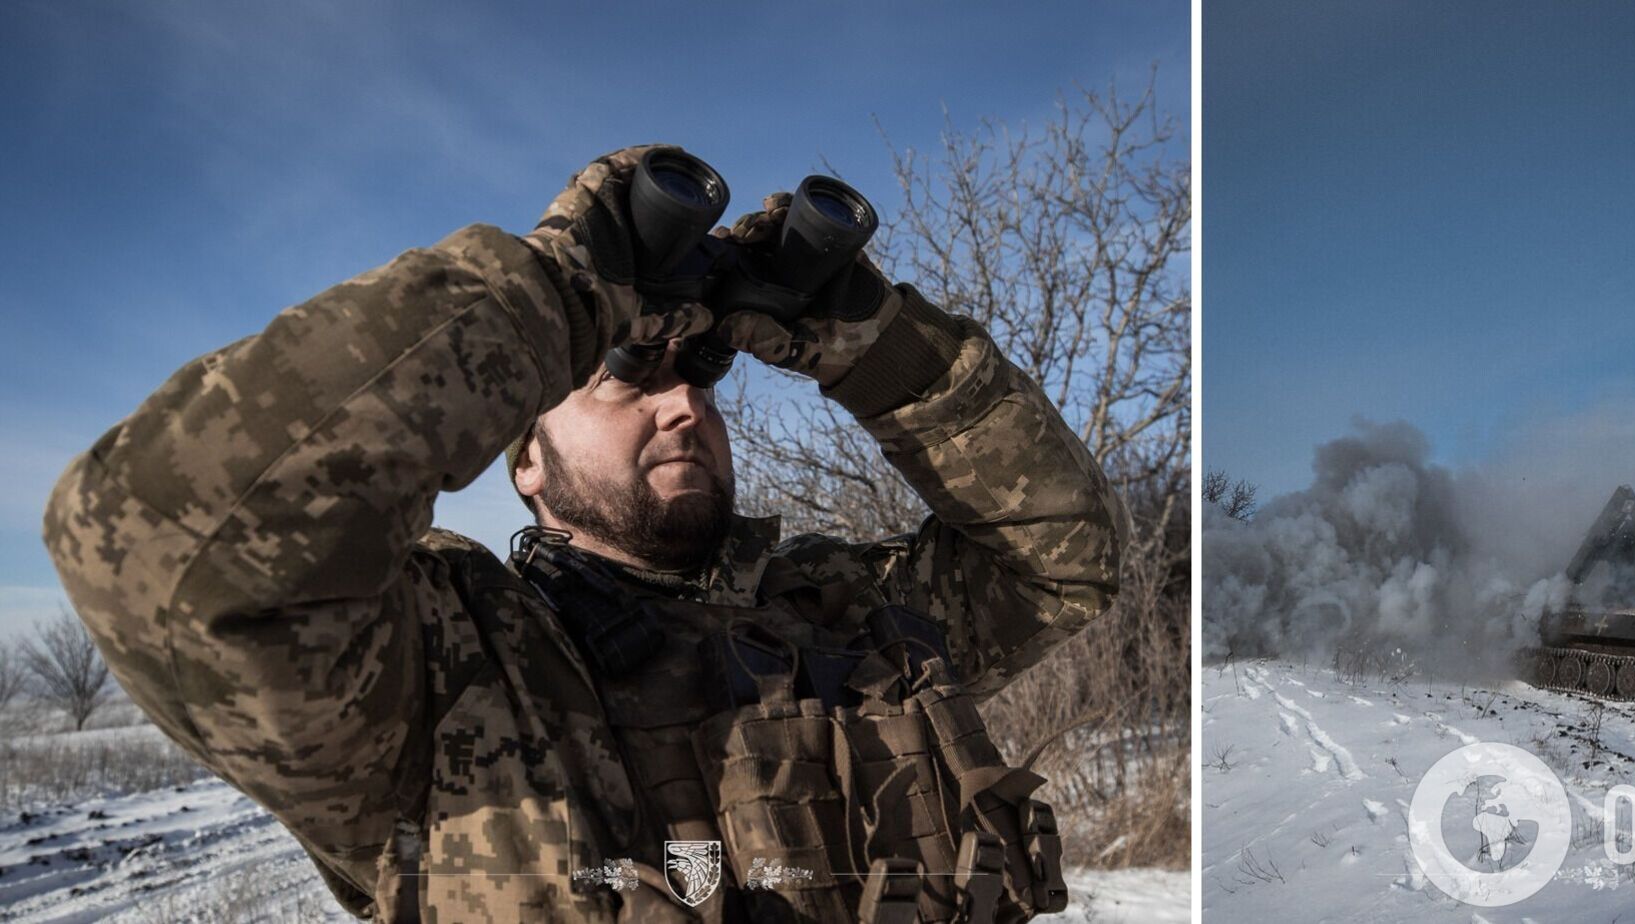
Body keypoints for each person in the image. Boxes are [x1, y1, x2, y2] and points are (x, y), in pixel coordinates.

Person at [42, 145, 1126, 922]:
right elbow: (170, 553)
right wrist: (556, 291)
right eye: (628, 379)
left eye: (702, 378)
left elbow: (1067, 559)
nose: (683, 404)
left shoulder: (850, 620)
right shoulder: (443, 677)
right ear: (523, 458)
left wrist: (876, 348)